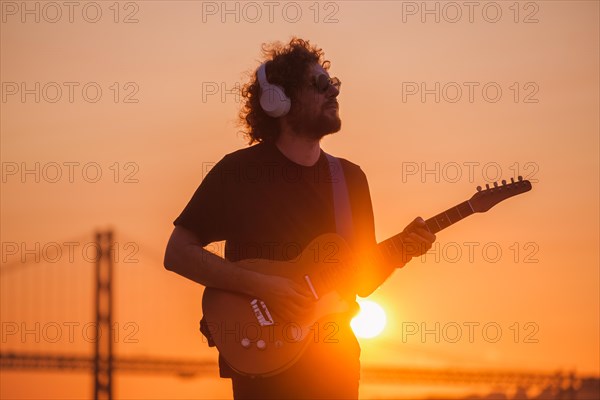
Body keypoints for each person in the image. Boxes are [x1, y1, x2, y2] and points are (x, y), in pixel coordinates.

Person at [164, 38, 436, 400]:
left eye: (333, 83)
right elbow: (178, 252)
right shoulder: (239, 172)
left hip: (335, 357)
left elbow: (360, 280)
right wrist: (264, 286)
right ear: (278, 101)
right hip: (263, 356)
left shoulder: (350, 179)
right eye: (319, 85)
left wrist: (402, 252)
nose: (333, 91)